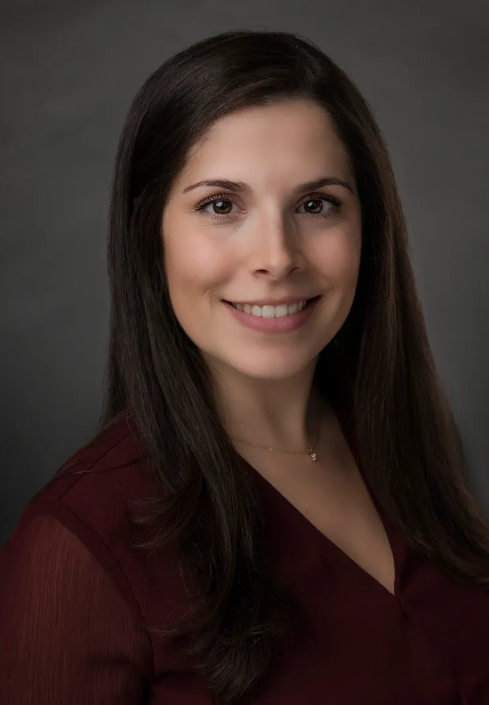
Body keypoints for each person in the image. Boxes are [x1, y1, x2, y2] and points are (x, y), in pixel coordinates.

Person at [1, 28, 488, 705]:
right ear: (151, 238)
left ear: (368, 229)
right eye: (220, 205)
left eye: (315, 204)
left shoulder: (410, 449)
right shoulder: (77, 547)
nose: (277, 256)